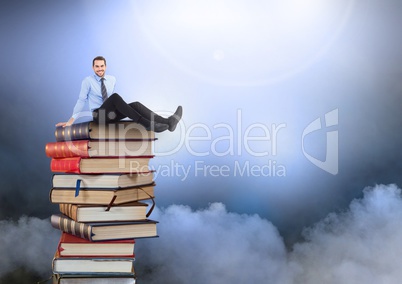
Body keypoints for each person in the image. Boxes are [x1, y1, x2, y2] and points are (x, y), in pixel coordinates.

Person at [56, 56, 182, 132]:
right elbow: (81, 100)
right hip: (98, 116)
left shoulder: (112, 79)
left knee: (136, 105)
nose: (100, 69)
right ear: (93, 68)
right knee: (115, 97)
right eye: (97, 66)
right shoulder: (87, 81)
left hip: (111, 115)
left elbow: (114, 104)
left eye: (102, 66)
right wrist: (70, 121)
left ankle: (168, 122)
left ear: (106, 66)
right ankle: (146, 123)